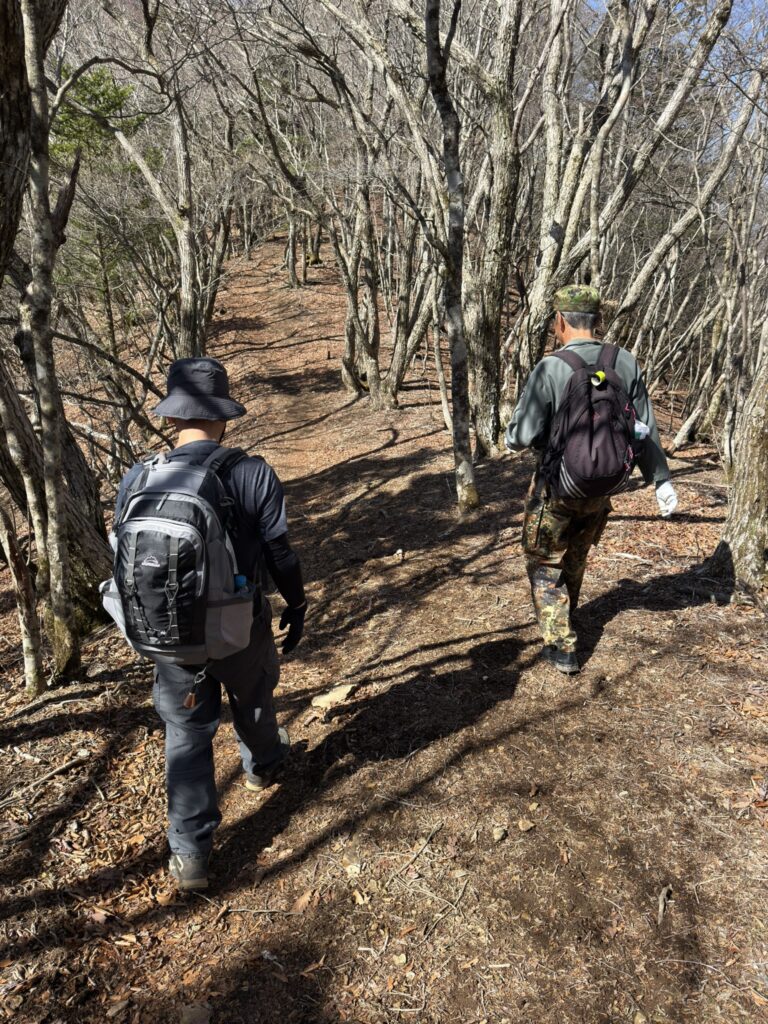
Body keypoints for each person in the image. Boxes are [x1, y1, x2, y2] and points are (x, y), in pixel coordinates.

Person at [114, 357, 307, 889]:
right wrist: (297, 603)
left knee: (185, 734)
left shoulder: (139, 476)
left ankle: (191, 855)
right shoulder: (251, 472)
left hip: (169, 639)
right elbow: (280, 552)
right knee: (255, 697)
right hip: (240, 627)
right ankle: (264, 765)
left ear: (173, 417)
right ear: (223, 415)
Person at [505, 285, 677, 674]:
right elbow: (644, 429)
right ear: (597, 321)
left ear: (561, 321)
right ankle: (569, 616)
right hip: (604, 487)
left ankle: (561, 646)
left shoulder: (552, 367)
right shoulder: (626, 362)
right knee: (577, 555)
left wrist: (513, 434)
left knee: (543, 561)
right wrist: (661, 480)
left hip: (558, 487)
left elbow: (520, 437)